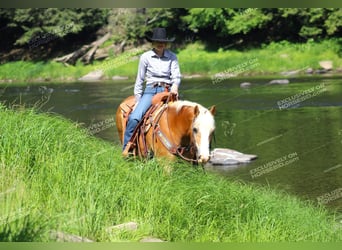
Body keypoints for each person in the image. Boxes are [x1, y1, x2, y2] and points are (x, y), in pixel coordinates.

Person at [122, 27, 182, 156]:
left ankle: (189, 151)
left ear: (166, 43)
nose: (161, 44)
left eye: (163, 42)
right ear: (152, 43)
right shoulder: (145, 57)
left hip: (168, 91)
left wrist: (175, 86)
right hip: (150, 91)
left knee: (186, 117)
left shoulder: (172, 57)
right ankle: (128, 147)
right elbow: (139, 79)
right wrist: (138, 100)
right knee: (134, 118)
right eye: (157, 41)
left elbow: (176, 77)